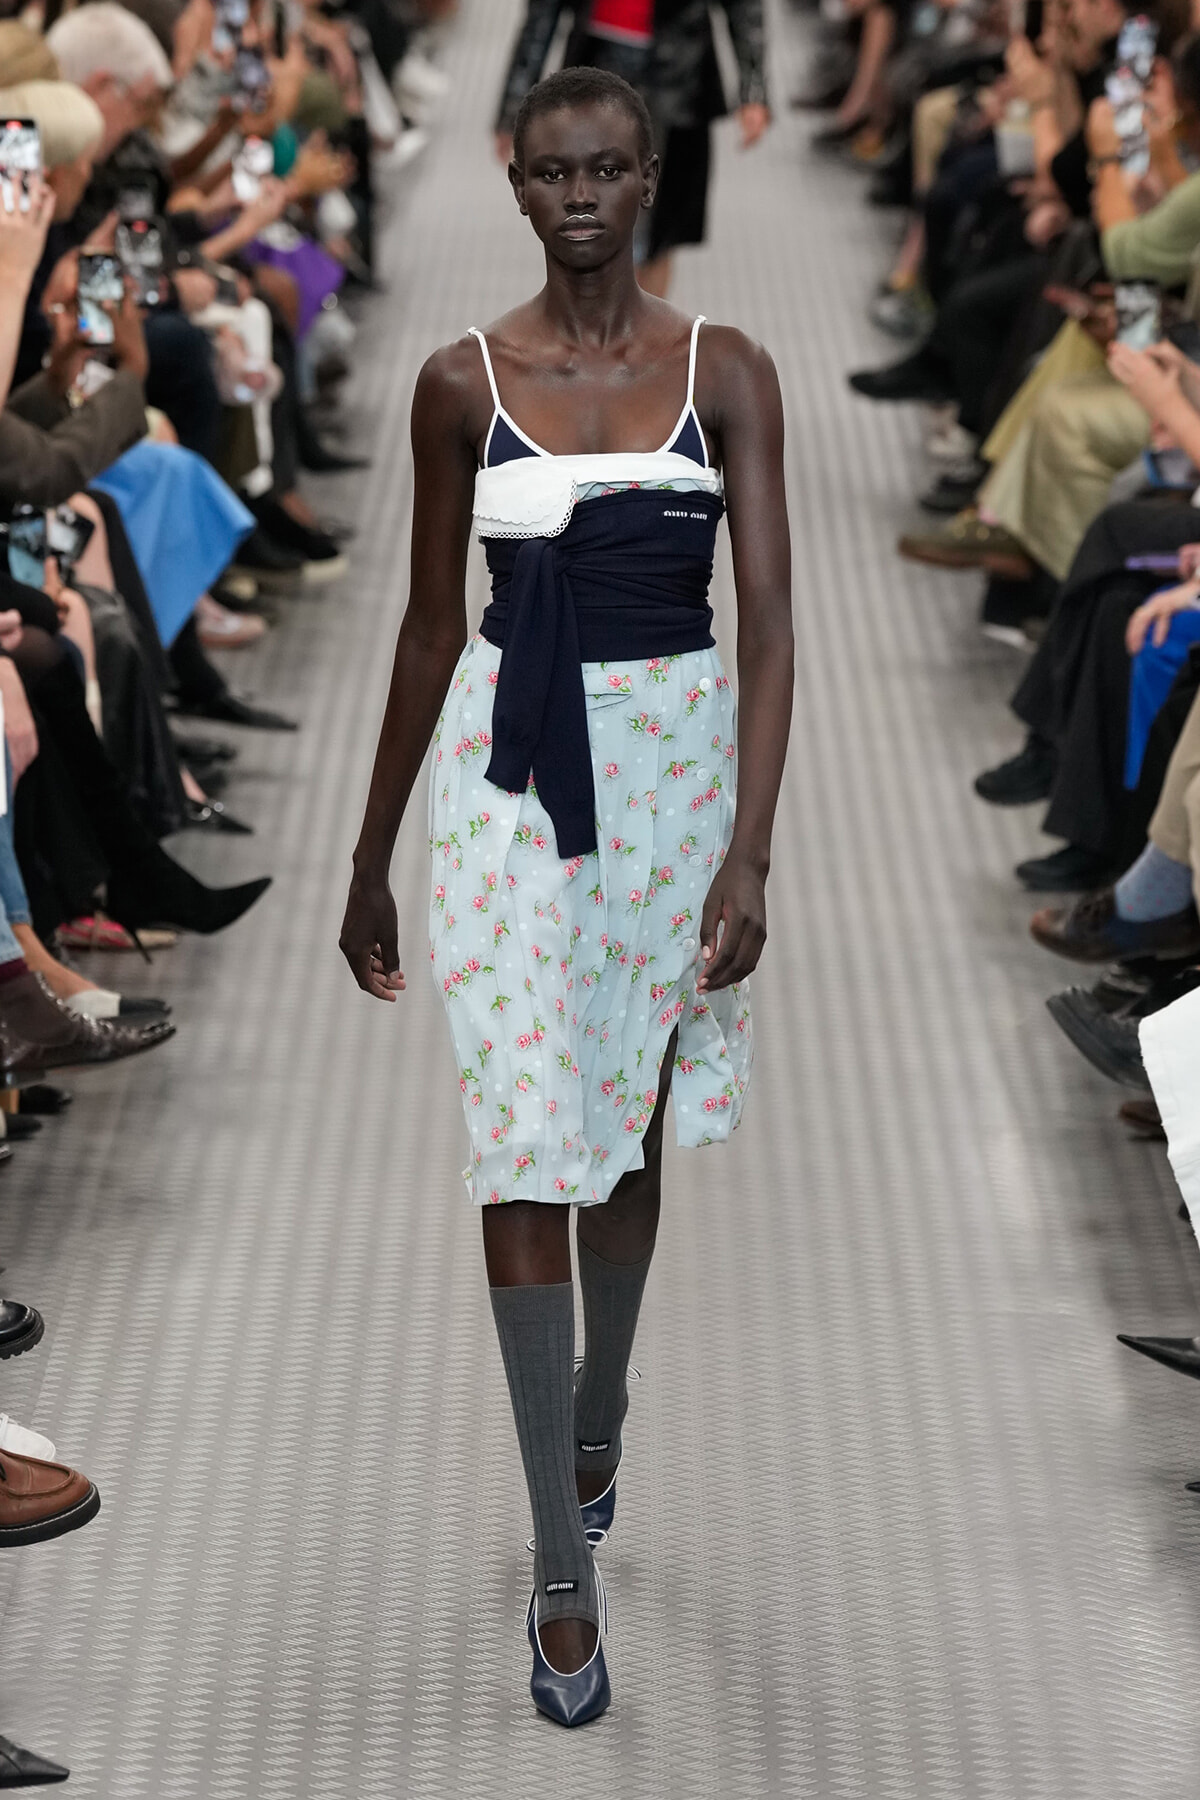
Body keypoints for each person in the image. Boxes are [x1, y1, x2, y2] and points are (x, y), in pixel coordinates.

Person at [340, 66, 792, 1724]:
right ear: (515, 185)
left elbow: (776, 626)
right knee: (524, 1139)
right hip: (507, 790)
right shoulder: (461, 386)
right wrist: (370, 854)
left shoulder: (725, 372)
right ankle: (559, 1554)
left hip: (675, 791)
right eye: (554, 172)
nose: (583, 193)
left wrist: (750, 850)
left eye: (610, 167)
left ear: (652, 176)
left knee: (627, 1137)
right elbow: (419, 630)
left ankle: (602, 1393)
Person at [494, 1, 770, 296]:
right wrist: (513, 108)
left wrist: (753, 88)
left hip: (677, 71)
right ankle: (613, 330)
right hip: (598, 62)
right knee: (594, 220)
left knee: (656, 234)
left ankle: (644, 333)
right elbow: (542, 14)